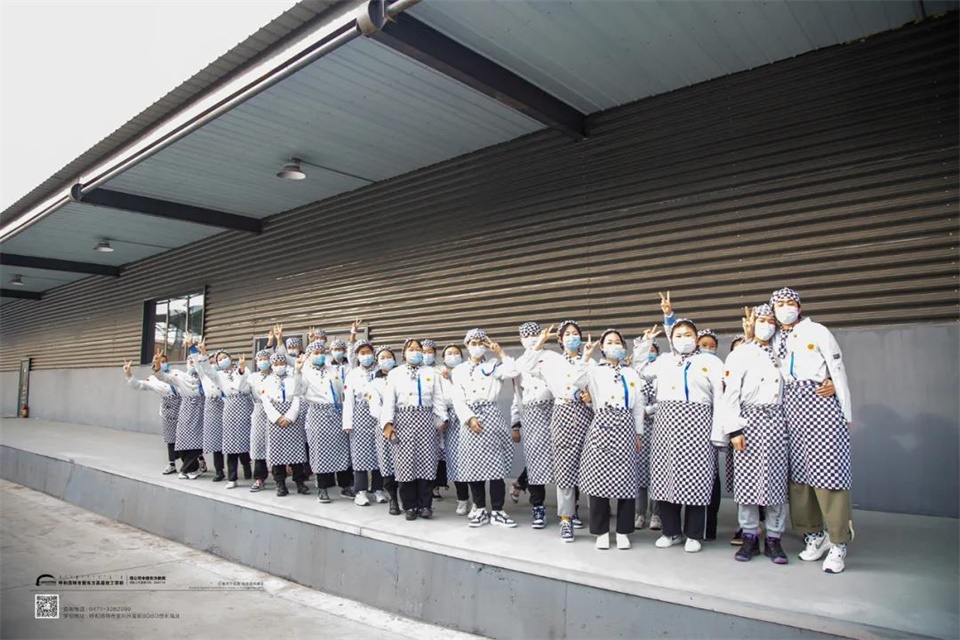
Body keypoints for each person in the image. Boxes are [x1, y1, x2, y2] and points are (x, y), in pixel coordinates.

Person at [770, 287, 854, 574]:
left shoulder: (817, 331)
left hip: (819, 402)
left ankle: (838, 541)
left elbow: (837, 369)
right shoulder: (774, 338)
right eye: (779, 304)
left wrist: (845, 410)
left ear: (799, 306)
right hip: (789, 407)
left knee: (828, 472)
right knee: (799, 476)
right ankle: (813, 534)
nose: (786, 308)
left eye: (790, 303)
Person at [635, 293, 725, 553]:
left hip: (699, 425)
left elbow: (720, 398)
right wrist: (645, 344)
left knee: (697, 479)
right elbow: (640, 370)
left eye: (688, 334)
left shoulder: (710, 361)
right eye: (678, 335)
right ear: (671, 339)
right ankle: (671, 531)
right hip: (666, 425)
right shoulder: (664, 360)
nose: (683, 339)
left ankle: (694, 534)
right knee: (666, 478)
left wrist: (719, 434)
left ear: (696, 338)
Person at [721, 304, 789, 564]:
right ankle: (749, 535)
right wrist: (734, 429)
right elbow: (731, 393)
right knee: (747, 482)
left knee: (776, 482)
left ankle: (774, 538)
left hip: (777, 421)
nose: (767, 325)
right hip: (748, 421)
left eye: (771, 321)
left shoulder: (784, 352)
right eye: (762, 320)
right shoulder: (741, 353)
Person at [574, 329, 649, 550]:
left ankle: (624, 532)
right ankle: (601, 532)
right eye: (609, 342)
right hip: (601, 426)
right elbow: (576, 381)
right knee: (599, 482)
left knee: (626, 482)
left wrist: (638, 433)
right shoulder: (595, 371)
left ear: (624, 347)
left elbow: (638, 405)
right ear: (602, 347)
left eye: (618, 342)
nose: (614, 345)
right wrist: (586, 356)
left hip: (626, 427)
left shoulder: (631, 373)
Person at [522, 321, 592, 542]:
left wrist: (591, 398)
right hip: (562, 413)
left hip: (587, 414)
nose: (572, 337)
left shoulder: (590, 360)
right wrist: (540, 342)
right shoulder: (551, 360)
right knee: (564, 468)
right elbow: (527, 367)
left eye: (575, 333)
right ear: (560, 340)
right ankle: (565, 519)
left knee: (588, 466)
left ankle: (586, 512)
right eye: (567, 334)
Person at [451, 329, 521, 528]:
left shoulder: (493, 366)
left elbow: (513, 372)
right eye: (473, 343)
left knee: (496, 466)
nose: (477, 346)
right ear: (466, 345)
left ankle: (498, 510)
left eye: (480, 343)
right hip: (471, 419)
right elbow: (457, 398)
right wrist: (469, 418)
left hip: (492, 416)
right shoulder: (459, 370)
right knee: (474, 467)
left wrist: (500, 352)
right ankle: (480, 508)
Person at [381, 339, 447, 520]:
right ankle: (410, 506)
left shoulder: (432, 373)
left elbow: (438, 398)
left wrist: (442, 418)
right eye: (411, 349)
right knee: (405, 465)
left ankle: (425, 505)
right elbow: (389, 401)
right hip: (403, 421)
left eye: (419, 349)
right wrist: (387, 424)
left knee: (427, 463)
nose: (415, 352)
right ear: (404, 353)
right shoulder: (395, 373)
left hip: (426, 421)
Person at [293, 341, 349, 503]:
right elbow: (297, 391)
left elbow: (341, 390)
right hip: (318, 414)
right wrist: (297, 371)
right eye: (315, 353)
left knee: (341, 449)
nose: (320, 355)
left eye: (322, 352)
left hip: (336, 412)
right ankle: (322, 488)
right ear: (309, 356)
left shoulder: (332, 370)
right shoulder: (304, 371)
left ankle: (345, 486)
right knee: (320, 451)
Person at [512, 322, 555, 529]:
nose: (531, 338)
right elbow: (517, 395)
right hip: (531, 413)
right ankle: (537, 506)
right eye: (526, 335)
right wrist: (515, 424)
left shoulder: (552, 357)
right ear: (521, 339)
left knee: (563, 457)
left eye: (534, 334)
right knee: (536, 460)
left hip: (555, 410)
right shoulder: (519, 363)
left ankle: (570, 509)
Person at [195, 346, 253, 488]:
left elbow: (246, 386)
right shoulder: (219, 375)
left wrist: (241, 371)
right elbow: (207, 370)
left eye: (224, 357)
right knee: (230, 444)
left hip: (245, 406)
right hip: (230, 408)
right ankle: (232, 478)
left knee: (244, 440)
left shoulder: (244, 369)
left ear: (230, 358)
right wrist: (203, 354)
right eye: (219, 359)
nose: (223, 360)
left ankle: (246, 465)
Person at [342, 339, 387, 506]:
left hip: (379, 416)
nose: (366, 356)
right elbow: (348, 400)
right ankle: (360, 492)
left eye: (368, 352)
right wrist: (347, 423)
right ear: (357, 355)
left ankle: (378, 489)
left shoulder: (381, 372)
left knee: (379, 453)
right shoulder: (352, 374)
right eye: (362, 353)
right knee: (360, 455)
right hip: (359, 417)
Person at [153, 345, 206, 480]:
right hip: (185, 410)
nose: (192, 363)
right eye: (190, 361)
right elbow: (164, 377)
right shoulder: (180, 376)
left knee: (197, 442)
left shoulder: (204, 376)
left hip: (201, 410)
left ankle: (187, 469)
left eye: (194, 361)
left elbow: (206, 368)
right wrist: (157, 365)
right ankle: (191, 468)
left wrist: (194, 349)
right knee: (183, 442)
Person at [122, 357, 181, 475]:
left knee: (187, 437)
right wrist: (129, 374)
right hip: (168, 411)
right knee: (170, 438)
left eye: (163, 361)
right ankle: (172, 464)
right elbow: (139, 385)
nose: (160, 364)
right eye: (157, 362)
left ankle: (197, 461)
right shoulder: (153, 379)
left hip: (183, 408)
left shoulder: (176, 373)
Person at [262, 352, 309, 497]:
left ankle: (300, 482)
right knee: (277, 454)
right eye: (276, 364)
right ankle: (280, 484)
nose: (279, 366)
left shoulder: (293, 379)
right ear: (271, 365)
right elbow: (265, 401)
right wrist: (277, 417)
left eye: (281, 364)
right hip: (275, 420)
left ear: (286, 364)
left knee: (296, 452)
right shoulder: (267, 380)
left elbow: (298, 397)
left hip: (292, 418)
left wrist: (290, 417)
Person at [438, 344, 472, 515]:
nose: (453, 356)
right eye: (449, 353)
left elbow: (469, 394)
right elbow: (441, 399)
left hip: (469, 416)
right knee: (456, 460)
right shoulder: (438, 376)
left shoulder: (468, 372)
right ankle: (462, 499)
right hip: (451, 419)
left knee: (472, 459)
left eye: (456, 353)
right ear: (443, 358)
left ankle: (478, 501)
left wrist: (452, 380)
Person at [369, 346, 401, 515]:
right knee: (388, 465)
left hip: (404, 425)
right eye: (382, 357)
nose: (386, 360)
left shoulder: (402, 377)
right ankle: (393, 499)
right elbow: (375, 407)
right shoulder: (374, 383)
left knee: (404, 463)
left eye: (389, 356)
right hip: (384, 428)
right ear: (377, 361)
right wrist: (387, 422)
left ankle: (409, 499)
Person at [635, 342, 660, 530]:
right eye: (647, 350)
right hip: (640, 429)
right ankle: (640, 513)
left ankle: (656, 514)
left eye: (653, 350)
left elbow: (667, 399)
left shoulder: (663, 372)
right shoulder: (634, 374)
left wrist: (649, 410)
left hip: (658, 426)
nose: (650, 353)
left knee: (657, 472)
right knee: (640, 473)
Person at [245, 348, 274, 492]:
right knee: (258, 444)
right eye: (260, 359)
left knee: (276, 443)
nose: (263, 362)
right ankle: (259, 477)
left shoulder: (276, 376)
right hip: (259, 410)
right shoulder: (252, 377)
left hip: (275, 410)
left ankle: (279, 478)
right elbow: (242, 389)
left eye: (266, 359)